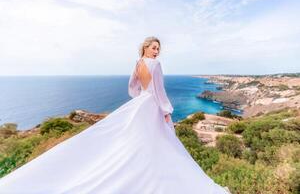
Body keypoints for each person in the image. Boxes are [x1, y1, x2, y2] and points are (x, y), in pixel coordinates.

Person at [0, 36, 230, 194]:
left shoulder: (138, 63)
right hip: (151, 104)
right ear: (145, 47)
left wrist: (141, 96)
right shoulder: (155, 64)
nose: (157, 51)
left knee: (138, 140)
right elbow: (159, 91)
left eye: (158, 48)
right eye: (153, 47)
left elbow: (132, 87)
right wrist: (166, 110)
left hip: (141, 103)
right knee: (158, 141)